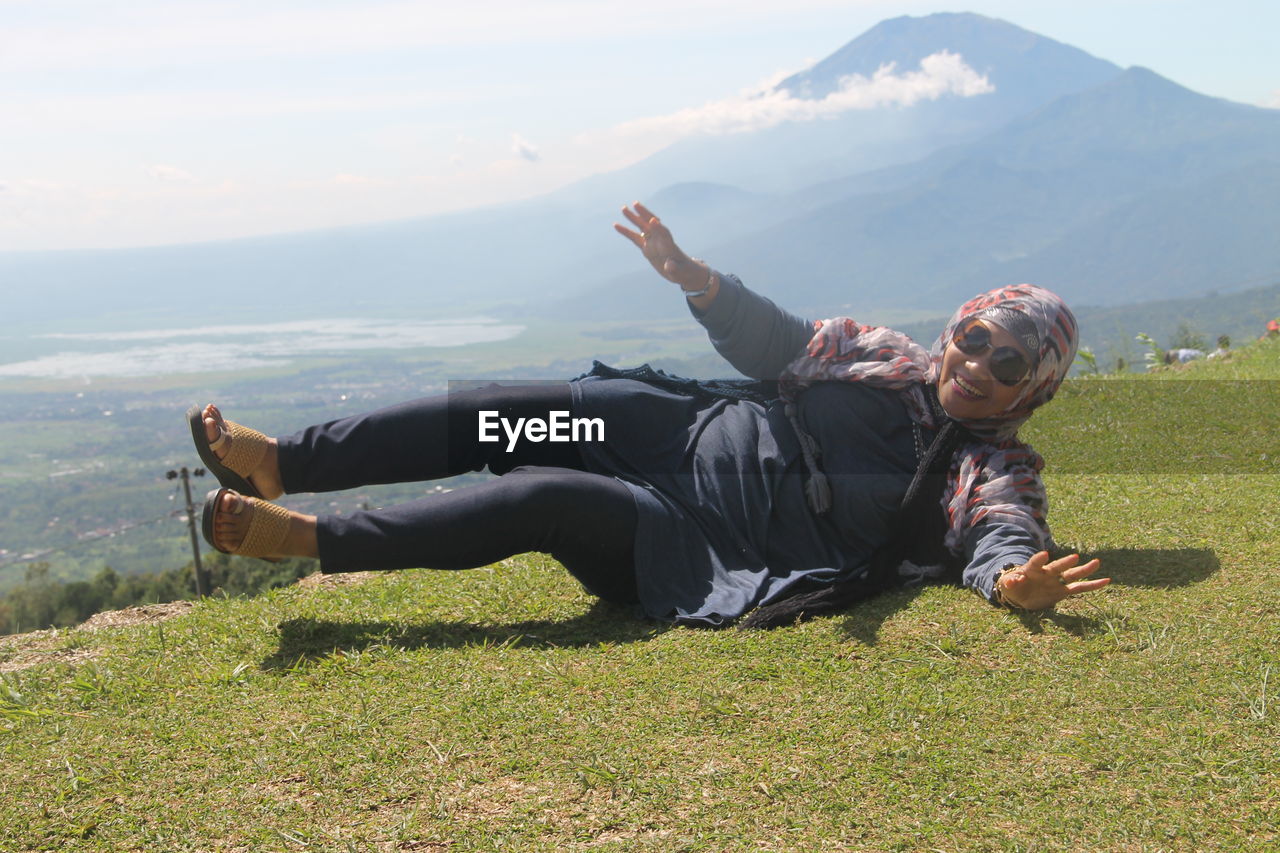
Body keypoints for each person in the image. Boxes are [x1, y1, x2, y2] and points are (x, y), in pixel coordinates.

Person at [189, 202, 1109, 627]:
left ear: (1036, 385)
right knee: (502, 414)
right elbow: (777, 341)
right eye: (978, 337)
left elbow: (1002, 531)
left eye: (1010, 362)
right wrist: (700, 282)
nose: (980, 366)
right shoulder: (885, 355)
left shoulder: (988, 467)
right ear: (959, 325)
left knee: (538, 496)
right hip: (667, 431)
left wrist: (1013, 580)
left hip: (695, 538)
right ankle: (284, 460)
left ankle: (305, 538)